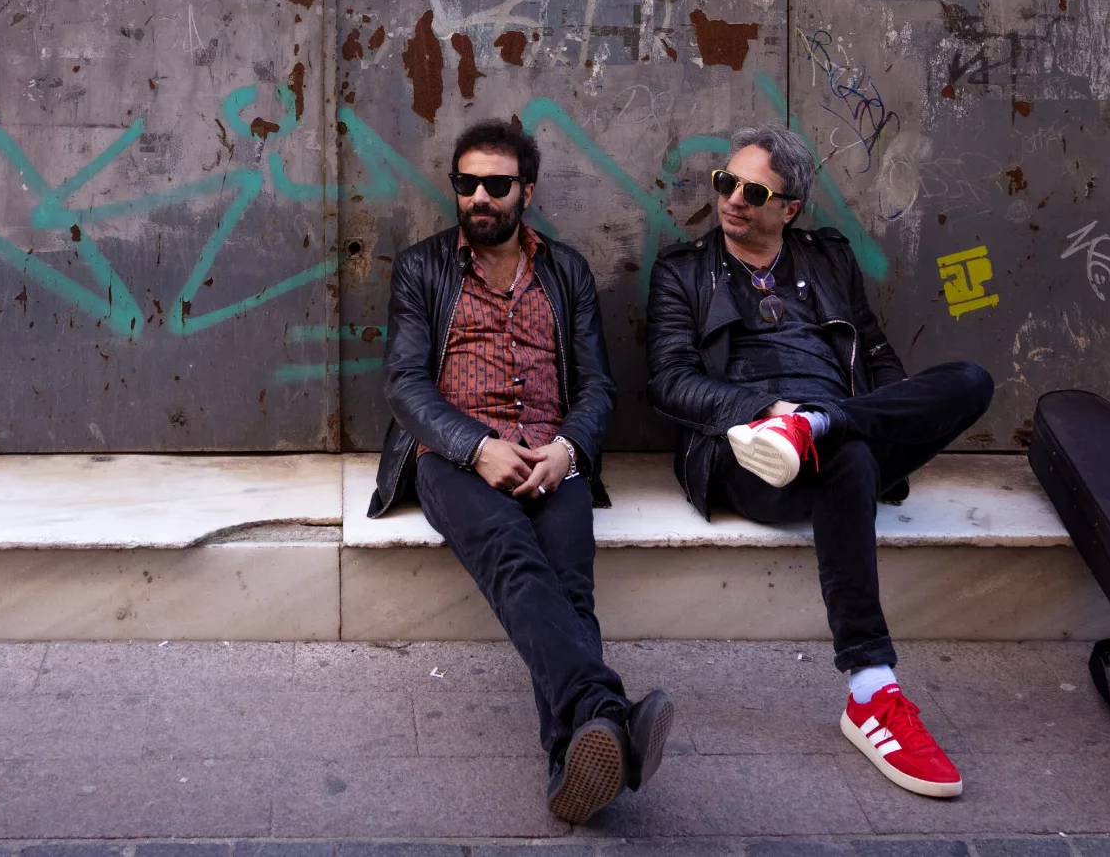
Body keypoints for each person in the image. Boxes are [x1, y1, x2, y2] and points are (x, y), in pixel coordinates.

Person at [645, 124, 993, 801]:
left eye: (753, 192)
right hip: (751, 451)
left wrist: (876, 406)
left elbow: (876, 349)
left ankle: (826, 422)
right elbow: (669, 382)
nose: (733, 201)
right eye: (726, 184)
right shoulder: (683, 272)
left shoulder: (828, 259)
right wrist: (766, 410)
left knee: (971, 381)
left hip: (840, 430)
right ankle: (871, 689)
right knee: (850, 454)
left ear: (790, 208)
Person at [367, 116, 674, 824]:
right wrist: (477, 447)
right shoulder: (423, 267)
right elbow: (405, 383)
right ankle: (605, 710)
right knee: (513, 555)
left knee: (570, 586)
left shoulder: (564, 270)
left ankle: (574, 764)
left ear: (525, 191)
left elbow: (597, 385)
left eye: (495, 184)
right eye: (466, 183)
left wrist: (568, 449)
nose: (478, 196)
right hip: (451, 456)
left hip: (551, 455)